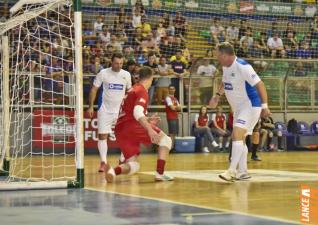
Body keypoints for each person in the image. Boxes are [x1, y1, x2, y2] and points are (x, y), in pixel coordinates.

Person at [209, 42, 270, 181]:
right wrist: (217, 96)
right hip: (239, 108)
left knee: (236, 134)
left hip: (250, 105)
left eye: (218, 55)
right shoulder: (225, 66)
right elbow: (225, 82)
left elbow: (260, 85)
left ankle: (231, 171)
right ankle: (242, 172)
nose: (216, 57)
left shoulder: (243, 67)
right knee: (240, 138)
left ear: (224, 55)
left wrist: (265, 106)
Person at [106, 67, 174, 182]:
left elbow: (130, 112)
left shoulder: (132, 89)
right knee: (166, 140)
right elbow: (137, 112)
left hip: (120, 128)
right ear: (151, 79)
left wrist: (147, 119)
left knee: (134, 165)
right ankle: (160, 173)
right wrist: (149, 129)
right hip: (132, 125)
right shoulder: (142, 90)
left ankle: (113, 171)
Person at [86, 53, 132, 173]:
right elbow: (94, 89)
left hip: (120, 111)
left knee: (125, 136)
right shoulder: (103, 73)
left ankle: (122, 159)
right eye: (117, 63)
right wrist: (91, 106)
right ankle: (103, 162)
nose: (119, 65)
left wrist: (130, 107)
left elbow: (130, 92)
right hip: (104, 110)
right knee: (102, 136)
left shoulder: (126, 75)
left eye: (121, 63)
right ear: (111, 62)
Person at [164, 85, 181, 150]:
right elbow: (172, 108)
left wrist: (175, 107)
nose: (172, 90)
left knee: (174, 133)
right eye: (170, 89)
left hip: (176, 117)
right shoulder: (168, 98)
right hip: (171, 117)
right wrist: (176, 107)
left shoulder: (175, 99)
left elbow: (179, 108)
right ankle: (170, 148)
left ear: (175, 90)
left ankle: (172, 147)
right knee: (171, 133)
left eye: (173, 89)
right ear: (168, 90)